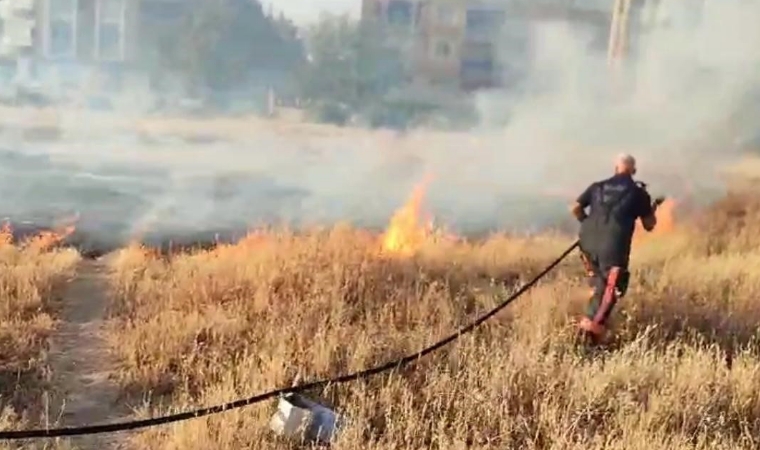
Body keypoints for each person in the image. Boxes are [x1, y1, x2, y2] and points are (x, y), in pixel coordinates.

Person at [570, 153, 663, 345]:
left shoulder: (597, 186)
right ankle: (586, 339)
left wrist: (587, 224)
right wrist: (652, 208)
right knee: (610, 289)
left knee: (598, 285)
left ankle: (591, 332)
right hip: (613, 246)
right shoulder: (638, 193)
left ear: (615, 168)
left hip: (586, 243)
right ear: (634, 171)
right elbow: (649, 225)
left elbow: (576, 208)